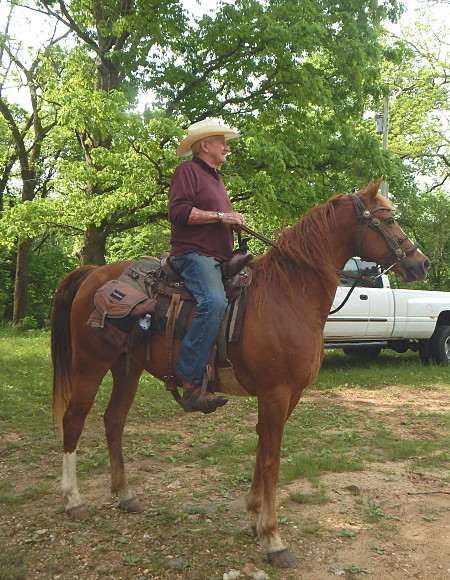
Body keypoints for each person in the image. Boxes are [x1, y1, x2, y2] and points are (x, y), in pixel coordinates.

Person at [168, 118, 246, 413]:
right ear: (205, 145)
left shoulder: (216, 178)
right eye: (222, 141)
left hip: (220, 259)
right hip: (194, 255)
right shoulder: (187, 170)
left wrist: (231, 223)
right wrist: (221, 217)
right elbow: (179, 212)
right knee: (213, 302)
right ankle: (189, 380)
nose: (227, 147)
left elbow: (213, 217)